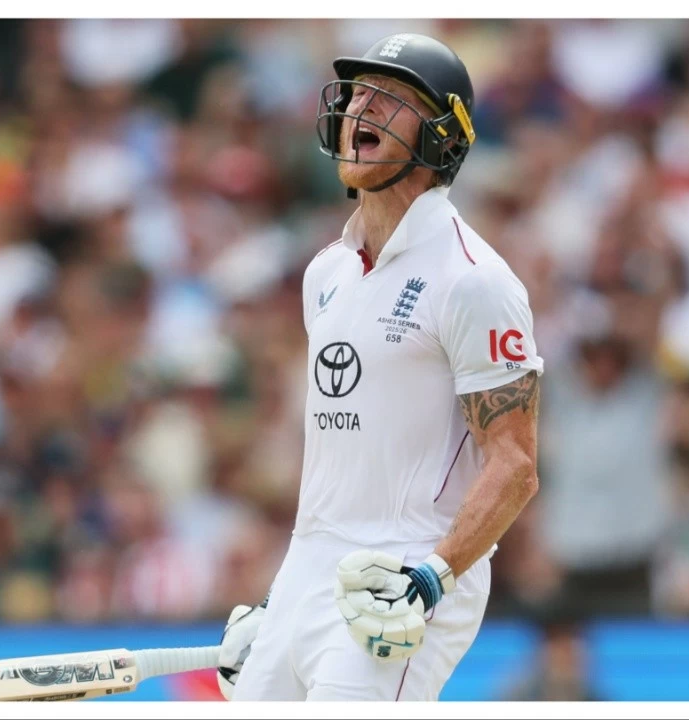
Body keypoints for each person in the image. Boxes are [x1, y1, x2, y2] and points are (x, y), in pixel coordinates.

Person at [216, 32, 544, 701]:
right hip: (309, 564)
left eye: (391, 99)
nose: (361, 112)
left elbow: (515, 467)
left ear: (441, 137)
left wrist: (430, 580)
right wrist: (286, 604)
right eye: (359, 95)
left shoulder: (474, 281)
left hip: (408, 573)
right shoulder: (326, 273)